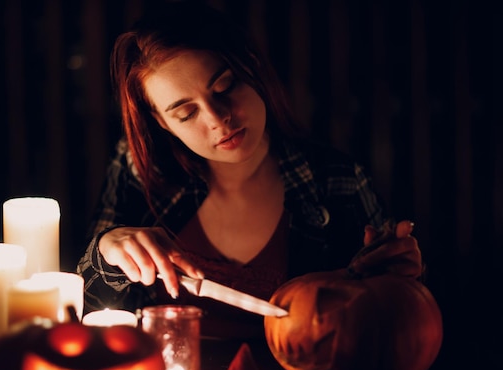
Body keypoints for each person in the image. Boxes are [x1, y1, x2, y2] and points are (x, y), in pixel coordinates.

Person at [76, 1, 422, 339]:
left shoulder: (337, 181)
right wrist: (106, 252)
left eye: (225, 87)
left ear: (251, 69)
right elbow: (84, 307)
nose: (218, 119)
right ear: (163, 123)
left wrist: (396, 274)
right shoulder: (142, 169)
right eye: (185, 114)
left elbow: (394, 322)